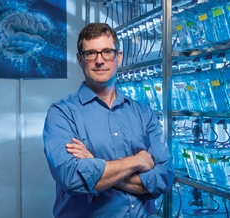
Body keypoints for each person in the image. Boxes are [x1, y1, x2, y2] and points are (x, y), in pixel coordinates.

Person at [43, 22, 174, 218]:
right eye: (90, 53)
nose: (100, 60)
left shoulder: (143, 112)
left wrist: (94, 165)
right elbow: (73, 179)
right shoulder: (62, 113)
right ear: (80, 60)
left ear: (118, 56)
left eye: (107, 52)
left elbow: (164, 178)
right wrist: (138, 161)